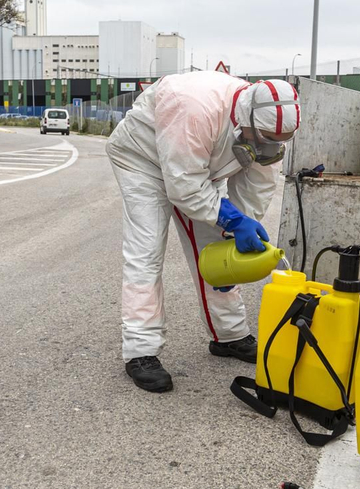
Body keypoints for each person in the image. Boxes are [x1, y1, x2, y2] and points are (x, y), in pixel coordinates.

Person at [107, 73, 301, 393]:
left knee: (216, 246)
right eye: (262, 138)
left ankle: (229, 335)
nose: (267, 147)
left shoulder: (269, 131)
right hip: (143, 160)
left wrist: (234, 240)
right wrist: (232, 221)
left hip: (197, 167)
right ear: (244, 118)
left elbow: (254, 191)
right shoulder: (193, 105)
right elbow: (184, 187)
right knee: (146, 251)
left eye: (276, 141)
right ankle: (141, 350)